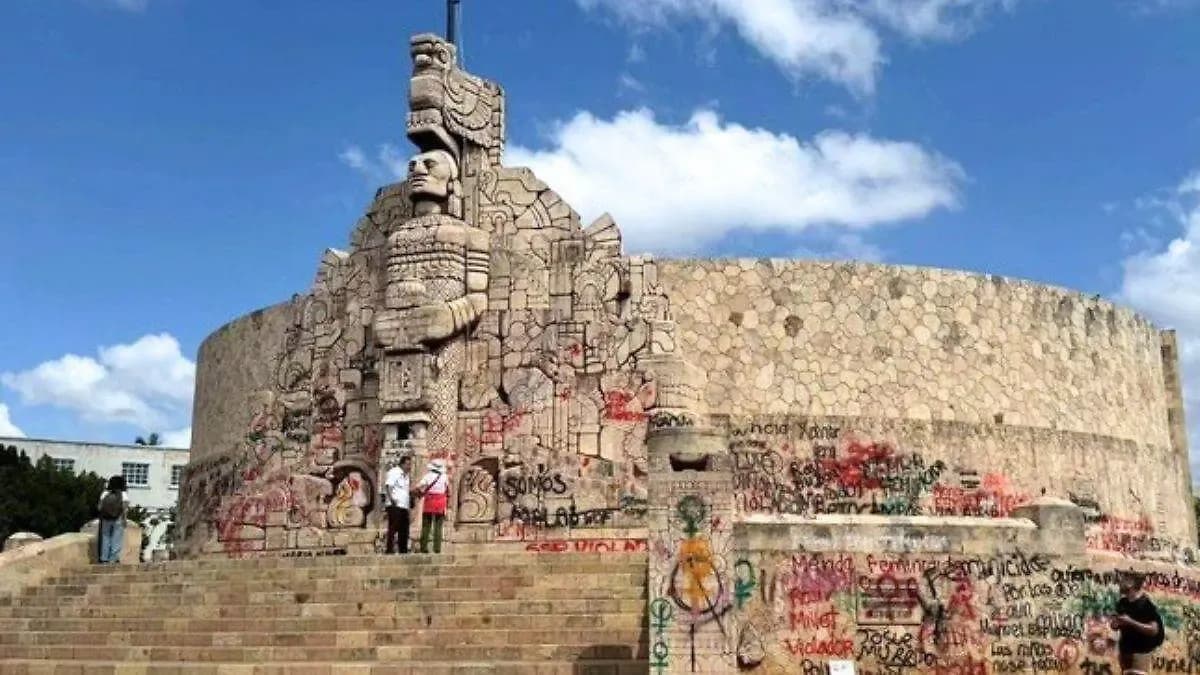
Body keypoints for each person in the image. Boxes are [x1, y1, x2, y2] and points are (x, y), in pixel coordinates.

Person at [1111, 572, 1164, 674]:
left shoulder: (1146, 604)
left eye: (1123, 580)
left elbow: (1153, 630)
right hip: (1125, 653)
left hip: (1140, 653)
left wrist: (1130, 622)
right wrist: (1115, 624)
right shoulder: (1123, 603)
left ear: (1130, 584)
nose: (1120, 583)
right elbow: (1115, 624)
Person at [413, 459, 449, 554]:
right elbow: (447, 489)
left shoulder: (428, 476)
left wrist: (420, 492)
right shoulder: (444, 476)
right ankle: (437, 548)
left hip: (430, 500)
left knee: (426, 525)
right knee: (438, 526)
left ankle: (424, 547)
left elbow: (418, 486)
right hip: (441, 501)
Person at [381, 456, 412, 554]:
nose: (409, 466)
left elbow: (404, 490)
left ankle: (403, 550)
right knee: (393, 528)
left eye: (410, 464)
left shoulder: (406, 476)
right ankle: (389, 549)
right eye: (407, 464)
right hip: (394, 504)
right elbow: (389, 486)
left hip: (404, 505)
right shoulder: (394, 472)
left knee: (404, 529)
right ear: (402, 464)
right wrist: (391, 498)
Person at [96, 475, 128, 564]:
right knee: (116, 538)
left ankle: (104, 558)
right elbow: (124, 508)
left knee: (105, 537)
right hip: (118, 518)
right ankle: (113, 559)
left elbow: (99, 507)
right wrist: (124, 519)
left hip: (105, 518)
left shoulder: (105, 493)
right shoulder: (123, 494)